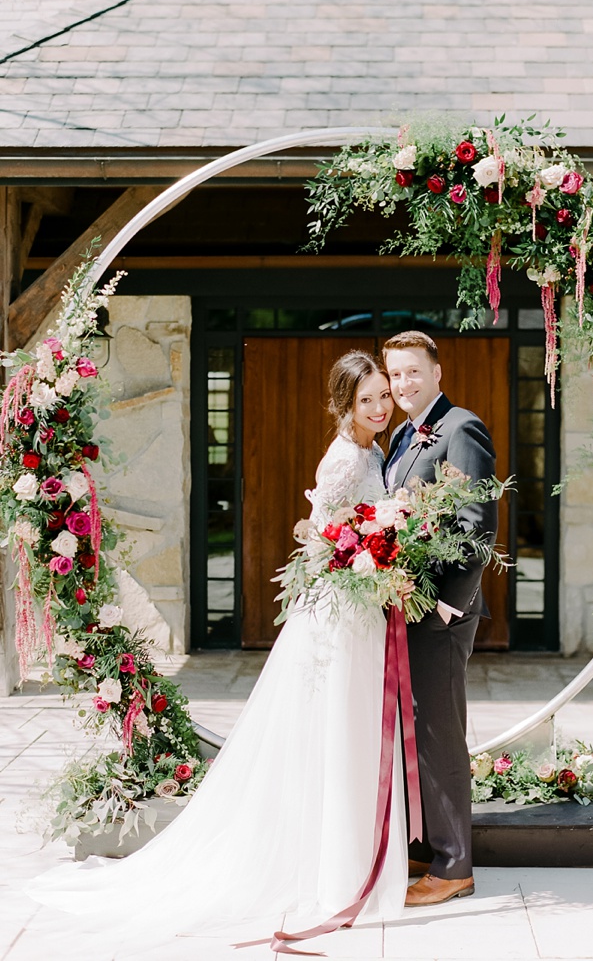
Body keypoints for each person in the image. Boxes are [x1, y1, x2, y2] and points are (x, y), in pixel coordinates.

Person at [27, 350, 407, 949]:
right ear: (344, 404)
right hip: (340, 613)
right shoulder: (342, 459)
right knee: (335, 733)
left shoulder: (373, 449)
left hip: (361, 608)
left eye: (384, 395)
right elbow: (320, 540)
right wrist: (361, 558)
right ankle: (335, 871)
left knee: (352, 733)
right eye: (368, 399)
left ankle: (355, 859)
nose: (381, 407)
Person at [383, 330, 498, 907]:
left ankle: (455, 865)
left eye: (412, 372)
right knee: (416, 729)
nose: (402, 383)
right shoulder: (403, 435)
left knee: (440, 732)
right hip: (407, 604)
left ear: (436, 373)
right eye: (395, 373)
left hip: (442, 612)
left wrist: (452, 600)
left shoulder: (460, 428)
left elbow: (478, 521)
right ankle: (429, 847)